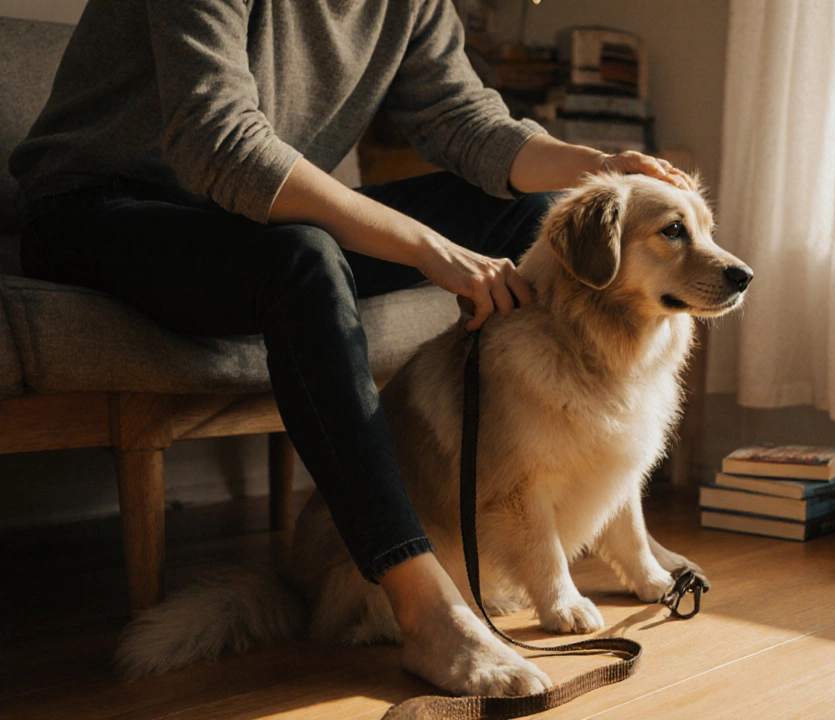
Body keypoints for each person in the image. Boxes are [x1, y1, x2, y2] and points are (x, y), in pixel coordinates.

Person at [11, 0, 692, 696]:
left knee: (531, 214)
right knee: (305, 259)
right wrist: (433, 252)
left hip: (243, 220)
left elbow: (468, 125)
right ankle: (423, 605)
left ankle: (602, 499)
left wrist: (603, 164)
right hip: (96, 211)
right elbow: (219, 141)